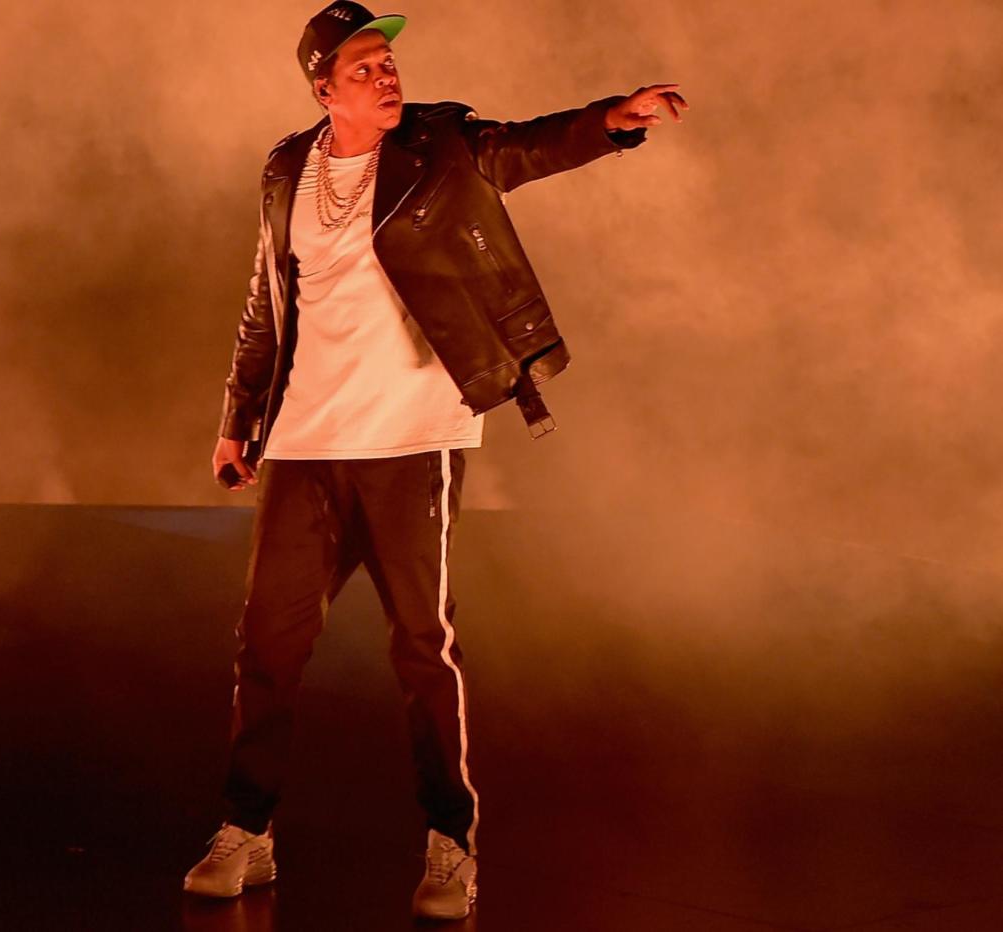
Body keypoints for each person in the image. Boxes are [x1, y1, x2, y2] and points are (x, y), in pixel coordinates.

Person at [183, 1, 688, 920]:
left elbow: (525, 148)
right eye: (365, 65)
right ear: (323, 86)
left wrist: (613, 120)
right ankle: (245, 829)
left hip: (415, 435)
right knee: (267, 643)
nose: (386, 75)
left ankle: (451, 843)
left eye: (388, 62)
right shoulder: (286, 169)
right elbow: (267, 297)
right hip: (305, 441)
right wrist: (237, 417)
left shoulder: (440, 146)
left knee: (424, 646)